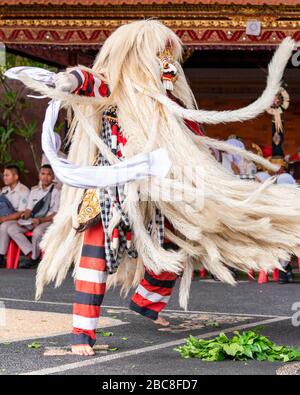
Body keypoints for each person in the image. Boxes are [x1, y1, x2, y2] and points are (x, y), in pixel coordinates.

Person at [6, 21, 300, 358]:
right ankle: (81, 335)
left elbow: (189, 136)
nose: (168, 63)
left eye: (170, 57)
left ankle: (146, 302)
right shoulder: (114, 88)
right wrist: (67, 80)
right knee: (94, 255)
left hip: (157, 188)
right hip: (110, 188)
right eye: (160, 55)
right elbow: (89, 82)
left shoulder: (167, 101)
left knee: (183, 238)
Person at [5, 165, 60, 269]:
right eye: (43, 174)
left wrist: (41, 220)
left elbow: (56, 214)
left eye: (49, 174)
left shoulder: (57, 192)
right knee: (12, 229)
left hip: (47, 220)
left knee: (37, 232)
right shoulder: (34, 191)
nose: (45, 177)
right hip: (33, 219)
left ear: (53, 177)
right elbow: (29, 210)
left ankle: (34, 258)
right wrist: (23, 217)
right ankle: (31, 253)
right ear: (39, 175)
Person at [0, 165, 30, 268]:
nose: (4, 177)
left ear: (15, 177)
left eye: (7, 175)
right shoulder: (4, 190)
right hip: (7, 219)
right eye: (4, 175)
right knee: (4, 225)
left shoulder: (23, 191)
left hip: (20, 219)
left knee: (4, 226)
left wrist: (3, 219)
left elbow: (21, 212)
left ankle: (1, 255)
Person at [276, 173, 297, 284]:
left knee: (283, 247)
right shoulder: (296, 194)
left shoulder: (275, 197)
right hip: (293, 231)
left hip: (282, 233)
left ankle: (283, 273)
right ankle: (286, 272)